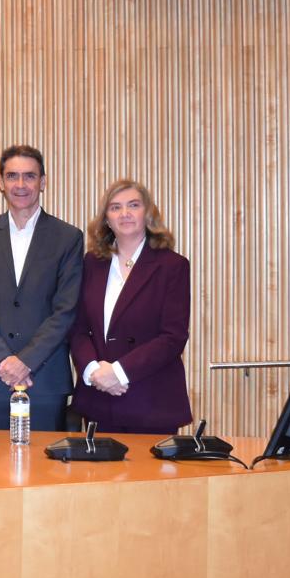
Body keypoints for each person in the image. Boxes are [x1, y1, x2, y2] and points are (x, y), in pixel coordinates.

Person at [0, 145, 83, 431]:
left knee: (43, 469)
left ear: (43, 182)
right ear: (1, 183)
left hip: (45, 376)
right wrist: (4, 360)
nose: (20, 184)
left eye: (29, 176)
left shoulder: (68, 237)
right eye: (12, 176)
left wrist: (25, 361)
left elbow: (66, 309)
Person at [70, 178, 192, 434]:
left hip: (151, 400)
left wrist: (119, 372)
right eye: (115, 207)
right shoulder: (92, 263)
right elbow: (78, 328)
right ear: (106, 218)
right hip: (99, 399)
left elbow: (173, 336)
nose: (124, 213)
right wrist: (93, 371)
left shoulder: (172, 266)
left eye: (133, 205)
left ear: (147, 213)